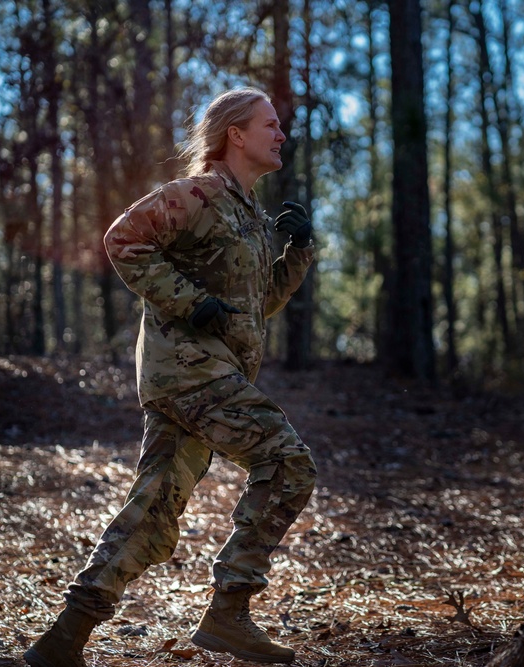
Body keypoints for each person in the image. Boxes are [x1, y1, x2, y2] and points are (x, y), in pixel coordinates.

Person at [24, 87, 317, 666]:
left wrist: (298, 252)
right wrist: (187, 302)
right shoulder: (198, 194)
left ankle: (64, 638)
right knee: (287, 462)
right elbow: (122, 239)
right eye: (269, 125)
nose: (280, 134)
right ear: (235, 134)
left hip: (199, 378)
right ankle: (230, 612)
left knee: (153, 513)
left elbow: (256, 306)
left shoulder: (250, 214)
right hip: (191, 375)